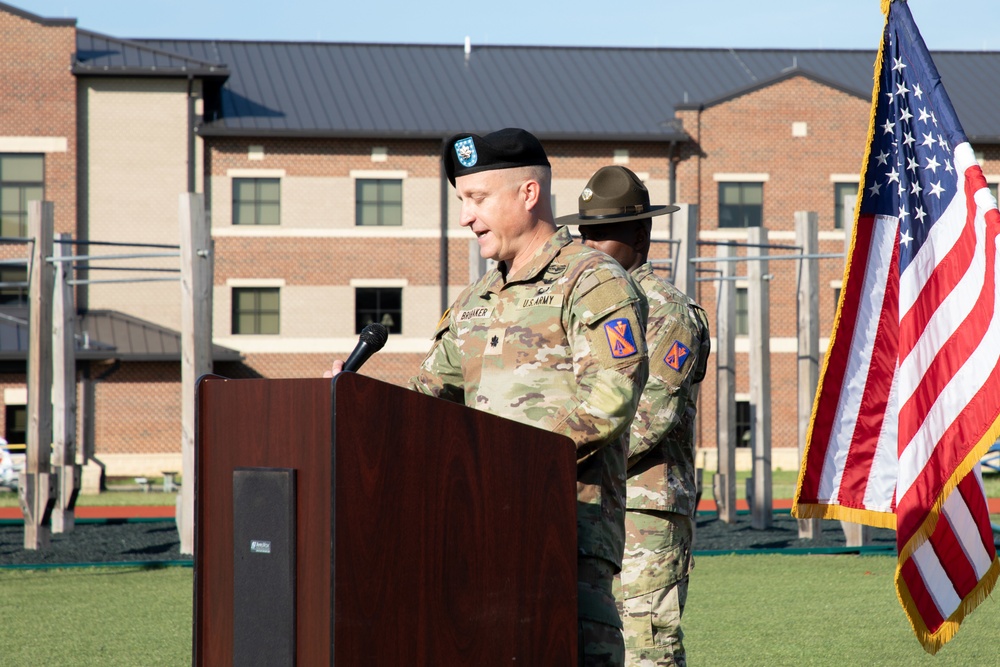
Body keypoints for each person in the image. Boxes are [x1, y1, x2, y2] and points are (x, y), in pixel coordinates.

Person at [329, 128, 648, 666]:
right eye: (461, 201)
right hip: (477, 528)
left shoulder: (592, 282)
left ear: (528, 194)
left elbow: (610, 400)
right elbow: (428, 400)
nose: (465, 217)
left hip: (565, 532)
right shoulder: (477, 297)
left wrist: (505, 463)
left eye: (477, 199)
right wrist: (357, 401)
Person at [556, 165, 710, 667]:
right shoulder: (584, 304)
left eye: (605, 234)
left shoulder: (668, 312)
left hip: (645, 510)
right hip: (590, 504)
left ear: (641, 234)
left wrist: (553, 454)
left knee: (647, 651)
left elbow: (647, 420)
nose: (590, 245)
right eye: (585, 233)